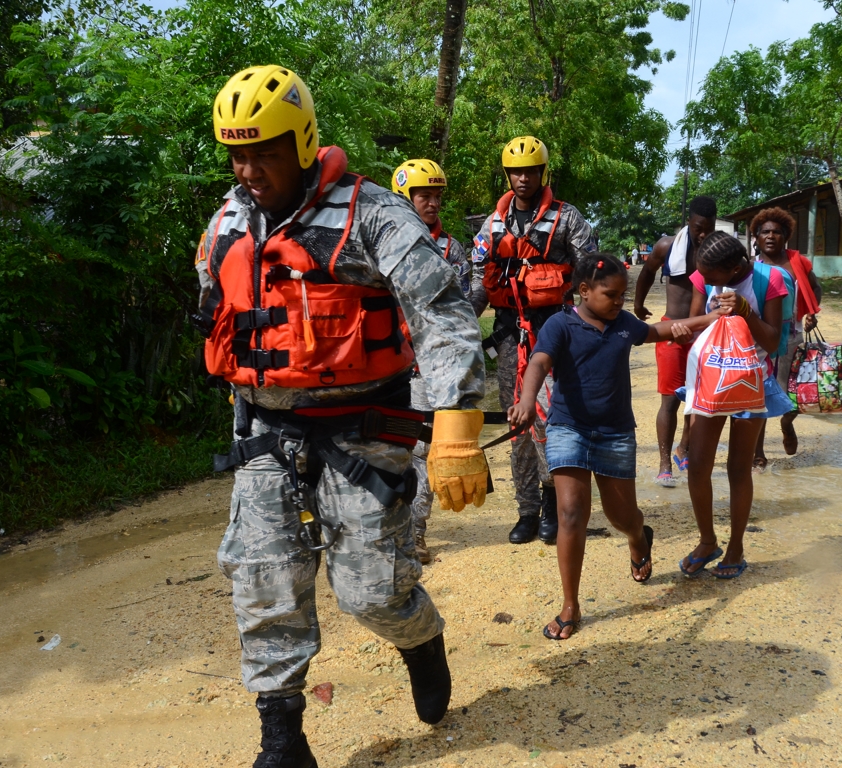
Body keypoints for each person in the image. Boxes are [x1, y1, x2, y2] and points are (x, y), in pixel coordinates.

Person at [194, 66, 488, 768]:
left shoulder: (374, 214)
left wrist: (456, 421)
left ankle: (420, 639)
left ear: (301, 143)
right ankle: (283, 738)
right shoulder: (229, 222)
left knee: (372, 590)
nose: (248, 167)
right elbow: (221, 311)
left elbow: (442, 315)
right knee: (264, 585)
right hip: (267, 435)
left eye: (263, 150)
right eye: (237, 152)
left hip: (364, 430)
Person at [508, 254, 725, 640]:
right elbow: (539, 362)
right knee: (572, 513)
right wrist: (527, 400)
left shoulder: (624, 324)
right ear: (584, 291)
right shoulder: (561, 325)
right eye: (611, 294)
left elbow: (661, 330)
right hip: (568, 428)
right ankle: (570, 604)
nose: (619, 302)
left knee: (621, 516)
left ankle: (638, 537)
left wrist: (710, 320)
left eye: (624, 296)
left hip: (614, 432)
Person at [474, 135, 598, 545]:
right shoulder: (492, 225)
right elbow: (479, 282)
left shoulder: (568, 219)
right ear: (507, 174)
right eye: (516, 171)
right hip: (510, 335)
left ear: (543, 173)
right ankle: (526, 510)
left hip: (555, 331)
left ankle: (550, 504)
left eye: (530, 171)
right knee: (517, 422)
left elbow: (589, 275)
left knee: (551, 420)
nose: (523, 178)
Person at [680, 231, 795, 580]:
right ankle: (707, 541)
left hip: (752, 381)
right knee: (698, 464)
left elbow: (774, 341)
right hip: (712, 380)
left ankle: (736, 548)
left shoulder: (771, 280)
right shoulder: (705, 275)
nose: (707, 283)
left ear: (734, 268)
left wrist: (744, 311)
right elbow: (697, 326)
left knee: (737, 469)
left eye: (713, 278)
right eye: (704, 277)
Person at [392, 158, 486, 565]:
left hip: (433, 372)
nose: (432, 203)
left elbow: (464, 307)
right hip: (390, 368)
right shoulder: (384, 249)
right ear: (404, 199)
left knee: (423, 448)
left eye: (436, 196)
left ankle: (414, 534)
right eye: (423, 196)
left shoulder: (451, 250)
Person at [632, 196, 718, 488]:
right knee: (669, 400)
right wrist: (638, 305)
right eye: (698, 228)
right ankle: (664, 463)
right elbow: (646, 272)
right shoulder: (668, 247)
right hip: (672, 331)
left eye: (709, 228)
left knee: (698, 402)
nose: (703, 234)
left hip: (706, 334)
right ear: (689, 223)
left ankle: (685, 447)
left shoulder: (718, 250)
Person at [750, 207, 822, 468]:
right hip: (758, 339)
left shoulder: (796, 262)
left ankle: (786, 424)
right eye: (765, 232)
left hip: (791, 337)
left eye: (776, 232)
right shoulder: (750, 266)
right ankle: (757, 453)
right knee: (758, 396)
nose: (771, 236)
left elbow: (815, 287)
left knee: (792, 394)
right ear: (756, 237)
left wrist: (812, 311)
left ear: (785, 237)